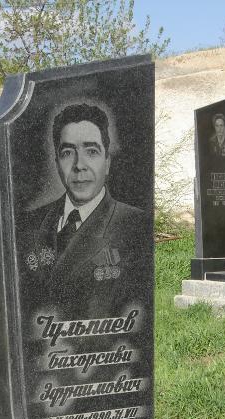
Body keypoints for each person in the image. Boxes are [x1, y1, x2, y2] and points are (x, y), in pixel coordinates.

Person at [22, 103, 150, 317]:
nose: (79, 165)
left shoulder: (136, 226)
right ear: (57, 162)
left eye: (91, 151)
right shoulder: (29, 223)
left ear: (107, 162)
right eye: (67, 152)